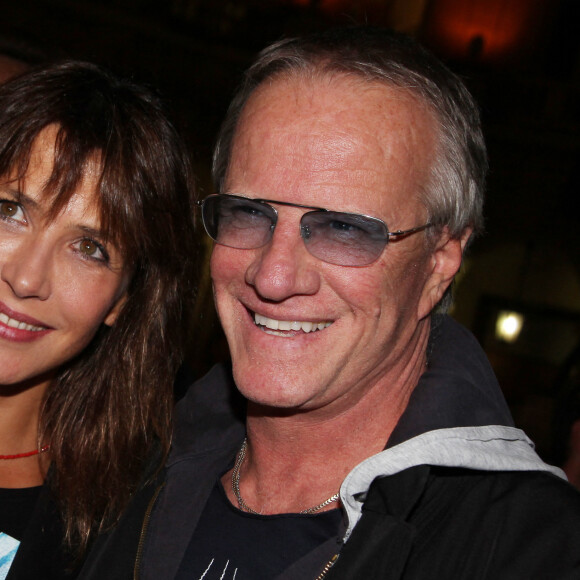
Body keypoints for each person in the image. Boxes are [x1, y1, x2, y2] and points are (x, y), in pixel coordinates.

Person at [140, 26, 580, 579]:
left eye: (344, 229)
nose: (273, 277)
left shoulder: (531, 553)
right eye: (250, 213)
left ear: (439, 264)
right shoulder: (126, 464)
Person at [0, 60, 196, 578]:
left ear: (122, 300)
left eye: (89, 247)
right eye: (9, 211)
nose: (26, 279)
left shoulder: (127, 519)